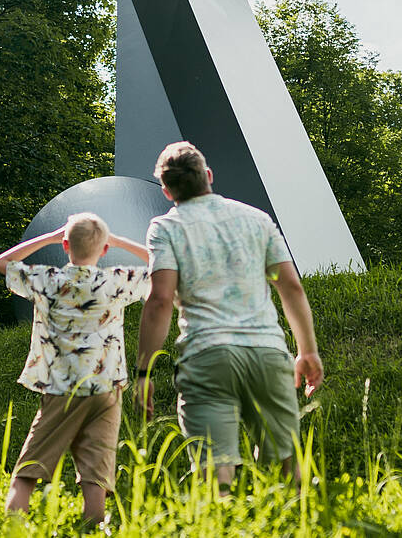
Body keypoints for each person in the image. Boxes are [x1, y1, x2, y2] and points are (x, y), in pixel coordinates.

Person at [132, 141, 324, 491]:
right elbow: (291, 287)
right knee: (288, 464)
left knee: (214, 472)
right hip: (266, 353)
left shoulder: (164, 228)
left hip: (208, 357)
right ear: (208, 175)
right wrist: (307, 350)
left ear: (166, 190)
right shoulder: (256, 219)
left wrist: (144, 372)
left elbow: (160, 300)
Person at [0, 213, 152, 526]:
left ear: (66, 244)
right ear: (105, 249)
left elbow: (3, 262)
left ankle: (12, 526)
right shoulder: (115, 281)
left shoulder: (49, 280)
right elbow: (160, 263)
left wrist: (50, 237)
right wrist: (115, 238)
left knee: (30, 467)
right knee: (97, 470)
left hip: (60, 388)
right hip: (106, 388)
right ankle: (93, 526)